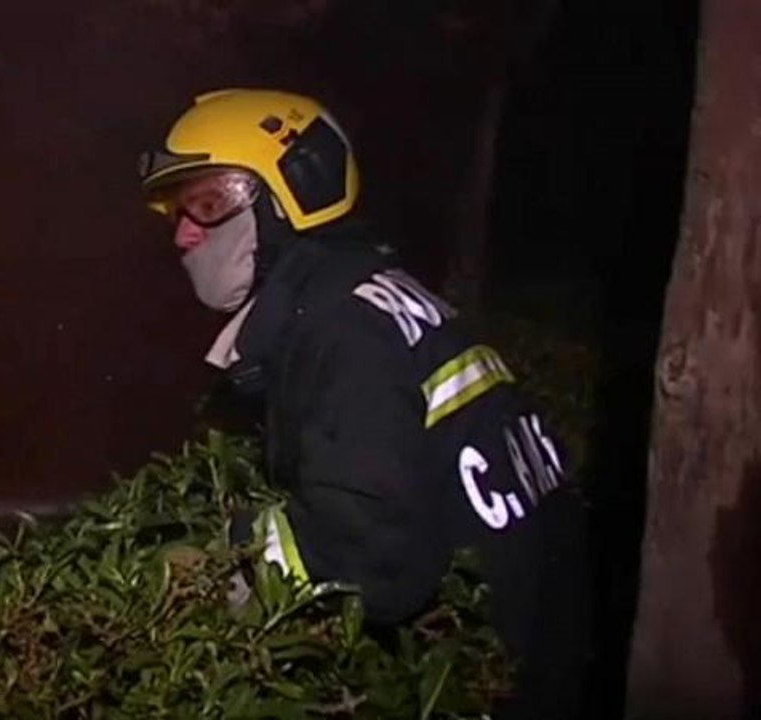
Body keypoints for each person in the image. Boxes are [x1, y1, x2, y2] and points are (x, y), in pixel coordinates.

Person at [137, 88, 589, 719]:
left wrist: (221, 563)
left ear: (295, 193)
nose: (184, 233)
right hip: (538, 651)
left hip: (499, 685)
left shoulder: (342, 331)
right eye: (177, 213)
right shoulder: (362, 297)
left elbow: (374, 558)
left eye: (209, 204)